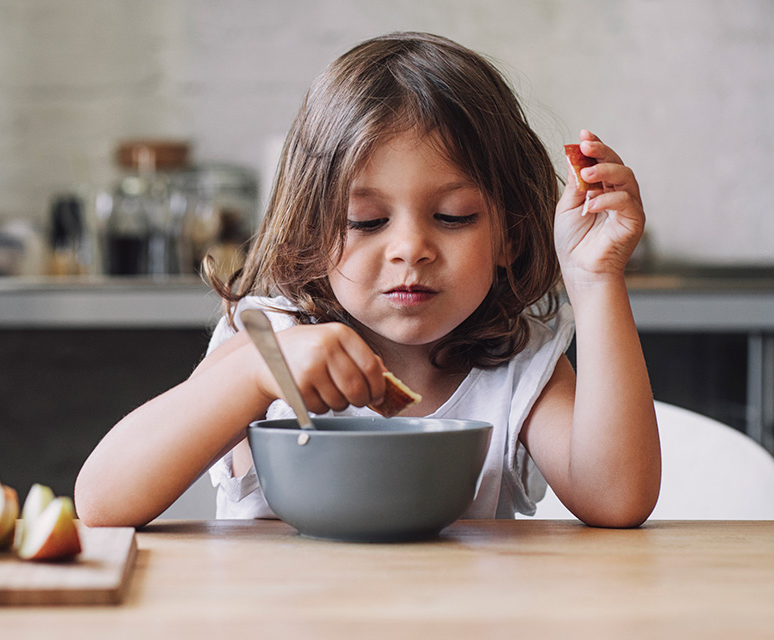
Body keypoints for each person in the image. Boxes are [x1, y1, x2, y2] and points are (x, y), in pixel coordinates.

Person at [75, 31, 660, 529]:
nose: (410, 249)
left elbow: (616, 499)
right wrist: (257, 373)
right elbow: (102, 503)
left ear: (508, 233)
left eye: (453, 216)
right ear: (310, 233)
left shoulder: (512, 361)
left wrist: (595, 278)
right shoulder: (265, 341)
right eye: (367, 221)